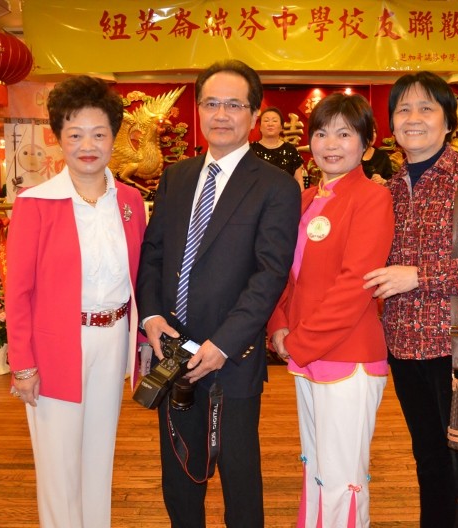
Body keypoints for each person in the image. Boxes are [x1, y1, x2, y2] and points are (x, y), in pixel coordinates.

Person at [136, 60, 300, 528]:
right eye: (211, 103)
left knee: (239, 476)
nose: (221, 114)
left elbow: (270, 274)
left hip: (232, 357)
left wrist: (223, 344)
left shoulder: (276, 186)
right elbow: (153, 254)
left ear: (254, 114)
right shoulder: (177, 176)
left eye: (234, 105)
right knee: (179, 474)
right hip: (171, 352)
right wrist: (151, 317)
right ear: (199, 109)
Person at [363, 71, 458, 528]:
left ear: (448, 121)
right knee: (429, 464)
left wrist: (419, 276)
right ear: (392, 124)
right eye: (403, 109)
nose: (413, 118)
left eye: (426, 108)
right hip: (406, 349)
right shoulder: (389, 191)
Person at [5, 75, 147, 528]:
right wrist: (23, 364)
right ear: (58, 138)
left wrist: (141, 341)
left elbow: (140, 277)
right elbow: (18, 291)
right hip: (57, 345)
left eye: (99, 134)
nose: (88, 146)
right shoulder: (36, 203)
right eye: (75, 134)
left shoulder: (130, 201)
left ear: (113, 138)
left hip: (113, 341)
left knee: (99, 457)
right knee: (59, 464)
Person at [267, 93, 393, 527]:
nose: (331, 144)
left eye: (344, 134)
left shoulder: (372, 198)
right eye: (321, 133)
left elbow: (356, 284)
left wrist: (299, 341)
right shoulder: (304, 198)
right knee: (317, 466)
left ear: (366, 146)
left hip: (348, 353)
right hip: (305, 351)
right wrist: (279, 325)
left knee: (343, 477)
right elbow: (284, 273)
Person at [250, 106, 306, 189]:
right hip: (257, 196)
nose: (270, 124)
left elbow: (298, 180)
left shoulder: (290, 150)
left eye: (275, 121)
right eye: (266, 120)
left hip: (285, 195)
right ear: (260, 127)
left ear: (281, 127)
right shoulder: (251, 150)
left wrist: (301, 196)